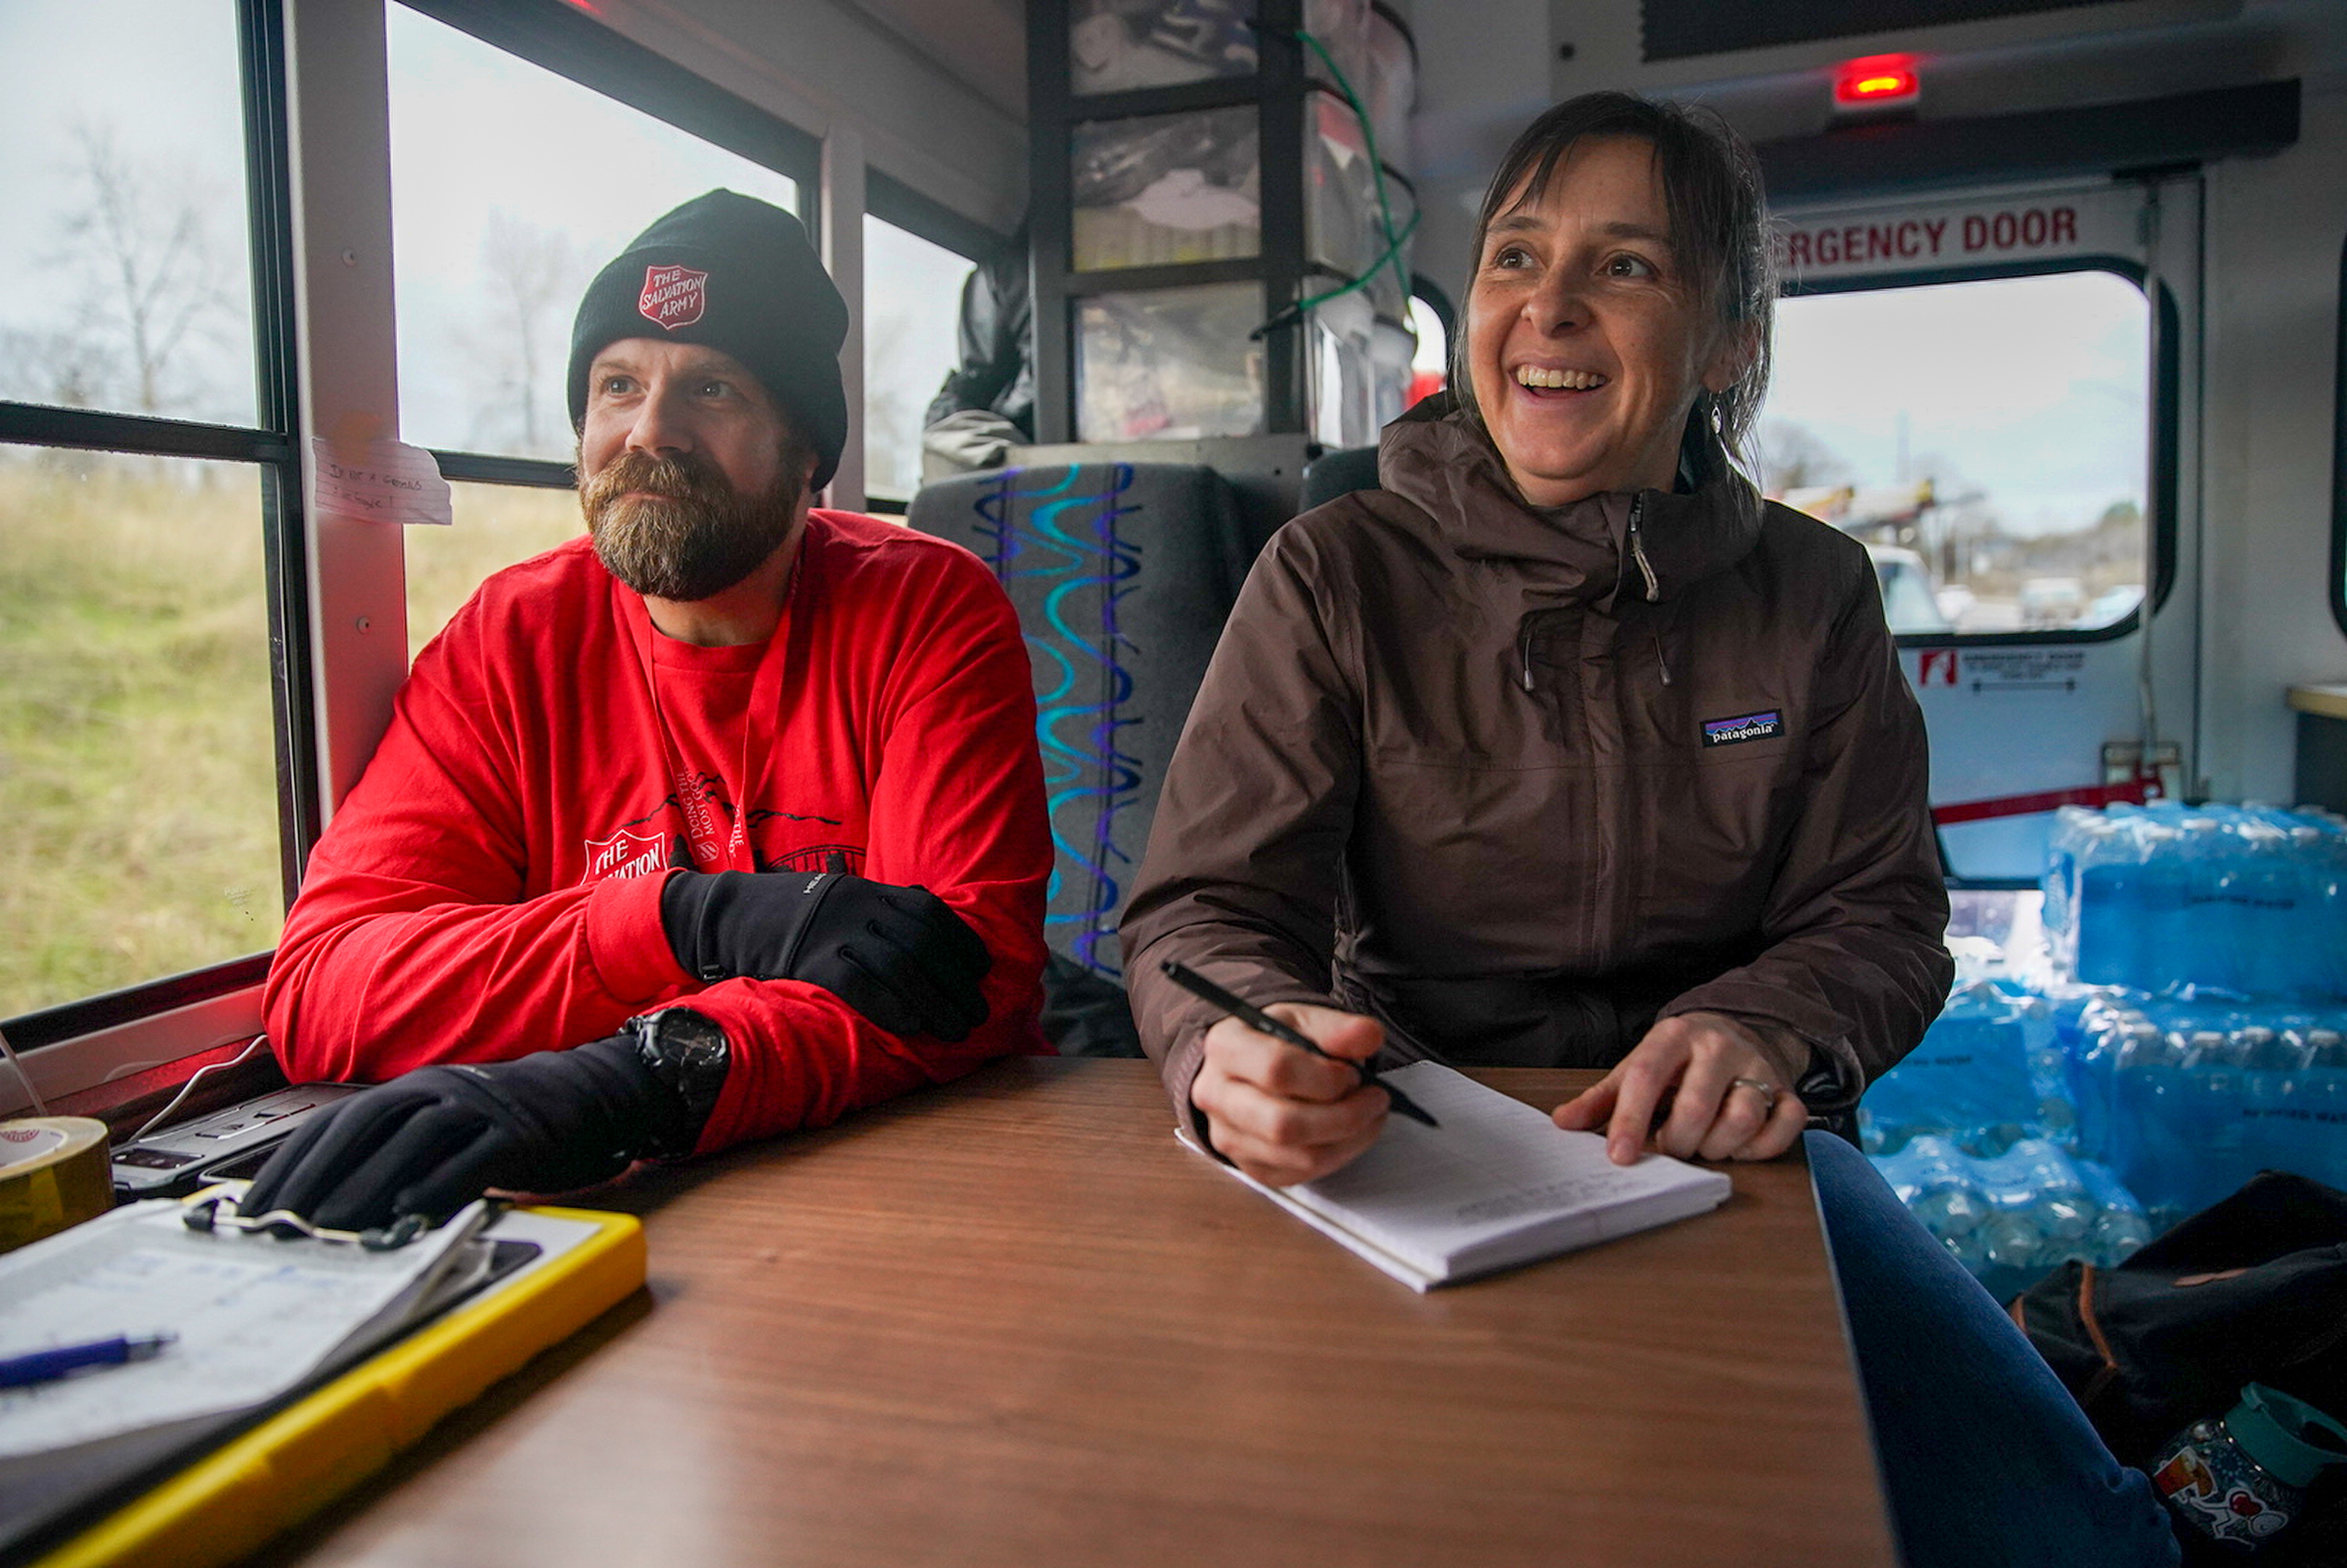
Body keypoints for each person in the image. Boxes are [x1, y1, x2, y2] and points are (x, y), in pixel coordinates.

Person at [1120, 94, 2177, 1568]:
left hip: (1744, 1162)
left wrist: (1765, 1030)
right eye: (1512, 258)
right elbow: (1200, 916)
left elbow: (1881, 913)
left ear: (1730, 340)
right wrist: (1237, 1046)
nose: (1546, 307)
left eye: (1624, 266)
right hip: (1407, 1139)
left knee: (2073, 1538)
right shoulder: (1335, 573)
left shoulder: (1813, 594)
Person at [246, 191, 1051, 1230]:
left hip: (928, 1184)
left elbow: (958, 983)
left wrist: (637, 1077)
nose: (649, 433)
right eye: (616, 385)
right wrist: (682, 920)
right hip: (643, 1210)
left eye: (711, 388)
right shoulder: (511, 640)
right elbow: (326, 989)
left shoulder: (926, 607)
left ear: (807, 452)